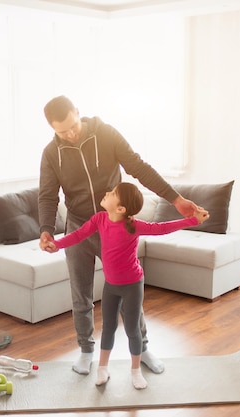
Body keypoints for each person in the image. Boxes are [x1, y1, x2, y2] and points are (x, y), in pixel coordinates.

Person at [39, 95, 205, 376]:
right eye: (61, 131)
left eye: (72, 125)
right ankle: (86, 350)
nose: (70, 133)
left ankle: (143, 348)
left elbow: (138, 168)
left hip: (115, 228)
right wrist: (45, 229)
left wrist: (175, 200)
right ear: (52, 129)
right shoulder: (51, 154)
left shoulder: (105, 134)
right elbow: (47, 196)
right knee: (81, 294)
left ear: (78, 112)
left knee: (129, 292)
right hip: (81, 224)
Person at [43, 183, 209, 388]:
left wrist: (192, 220)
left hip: (132, 285)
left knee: (132, 330)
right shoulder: (100, 219)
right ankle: (102, 369)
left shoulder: (134, 225)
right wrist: (57, 245)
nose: (106, 192)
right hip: (111, 285)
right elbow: (79, 235)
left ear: (121, 209)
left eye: (112, 193)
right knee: (108, 328)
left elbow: (162, 228)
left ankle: (136, 371)